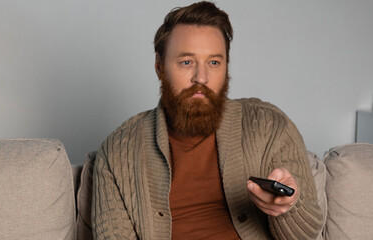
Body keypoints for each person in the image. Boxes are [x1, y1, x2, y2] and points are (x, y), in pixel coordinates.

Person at [90, 2, 323, 239]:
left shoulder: (270, 126)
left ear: (226, 67)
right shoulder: (118, 153)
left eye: (214, 62)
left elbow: (307, 235)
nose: (201, 77)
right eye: (187, 62)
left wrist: (288, 208)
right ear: (160, 67)